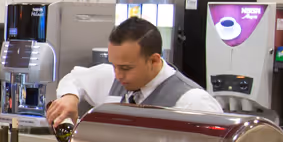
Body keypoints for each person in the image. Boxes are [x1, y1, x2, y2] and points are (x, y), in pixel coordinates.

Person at [44, 16, 223, 127]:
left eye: (126, 68)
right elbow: (75, 78)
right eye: (113, 65)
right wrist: (69, 98)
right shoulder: (114, 78)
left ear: (153, 60)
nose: (118, 75)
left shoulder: (193, 102)